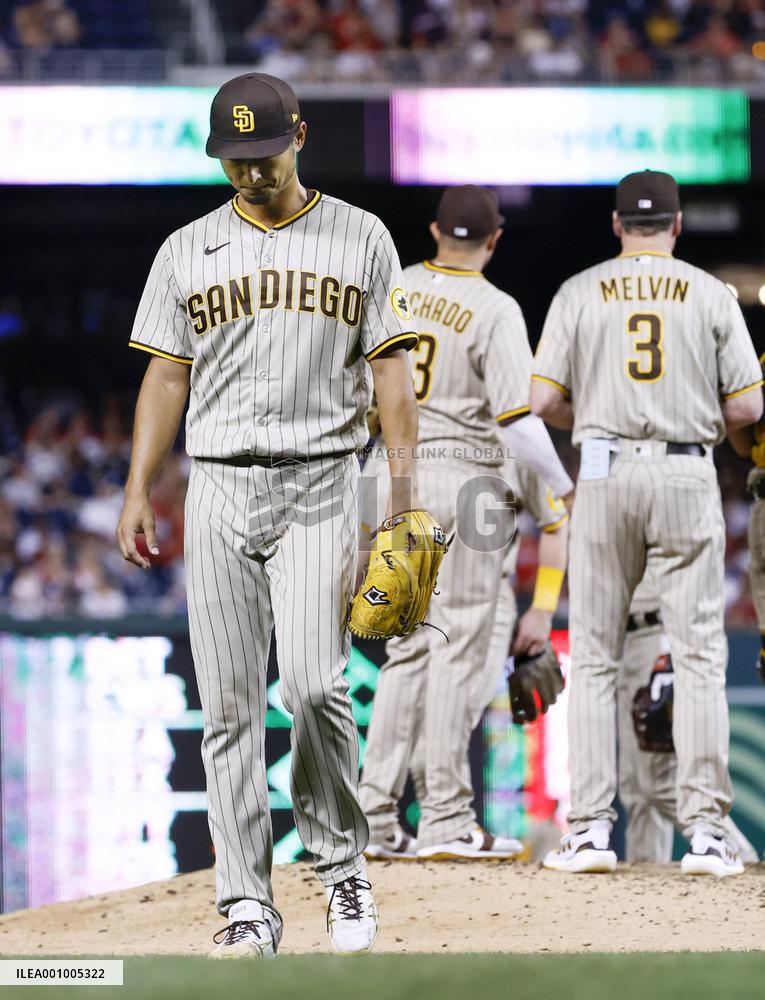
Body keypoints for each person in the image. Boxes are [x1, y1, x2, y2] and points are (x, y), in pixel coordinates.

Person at [116, 72, 422, 957]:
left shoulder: (361, 235)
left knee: (319, 687)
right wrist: (140, 484)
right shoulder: (184, 248)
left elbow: (391, 374)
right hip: (214, 485)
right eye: (233, 159)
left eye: (262, 153)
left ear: (299, 135)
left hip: (325, 478)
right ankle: (246, 903)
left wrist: (402, 497)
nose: (248, 172)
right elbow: (166, 374)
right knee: (228, 710)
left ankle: (340, 867)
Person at [531, 169, 763, 877]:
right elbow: (748, 411)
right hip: (686, 468)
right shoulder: (708, 293)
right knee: (697, 654)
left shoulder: (578, 290)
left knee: (594, 657)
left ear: (614, 225)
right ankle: (704, 832)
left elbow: (541, 400)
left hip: (601, 469)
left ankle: (589, 832)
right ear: (677, 224)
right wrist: (686, 419)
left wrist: (597, 418)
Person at [358, 185, 573, 860]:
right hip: (468, 476)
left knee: (405, 648)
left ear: (432, 231)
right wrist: (560, 483)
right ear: (494, 238)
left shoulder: (393, 288)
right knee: (454, 648)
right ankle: (447, 820)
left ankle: (371, 814)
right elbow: (515, 418)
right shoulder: (494, 307)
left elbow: (361, 390)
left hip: (391, 474)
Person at [361, 455, 569, 859]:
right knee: (451, 705)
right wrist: (542, 608)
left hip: (435, 579)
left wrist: (543, 608)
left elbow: (555, 525)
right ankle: (445, 821)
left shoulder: (399, 433)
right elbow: (558, 524)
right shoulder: (504, 430)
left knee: (406, 670)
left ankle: (378, 819)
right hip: (476, 594)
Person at [618, 567, 757, 864]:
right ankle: (642, 890)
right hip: (627, 638)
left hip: (664, 629)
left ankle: (739, 855)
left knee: (659, 777)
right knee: (635, 788)